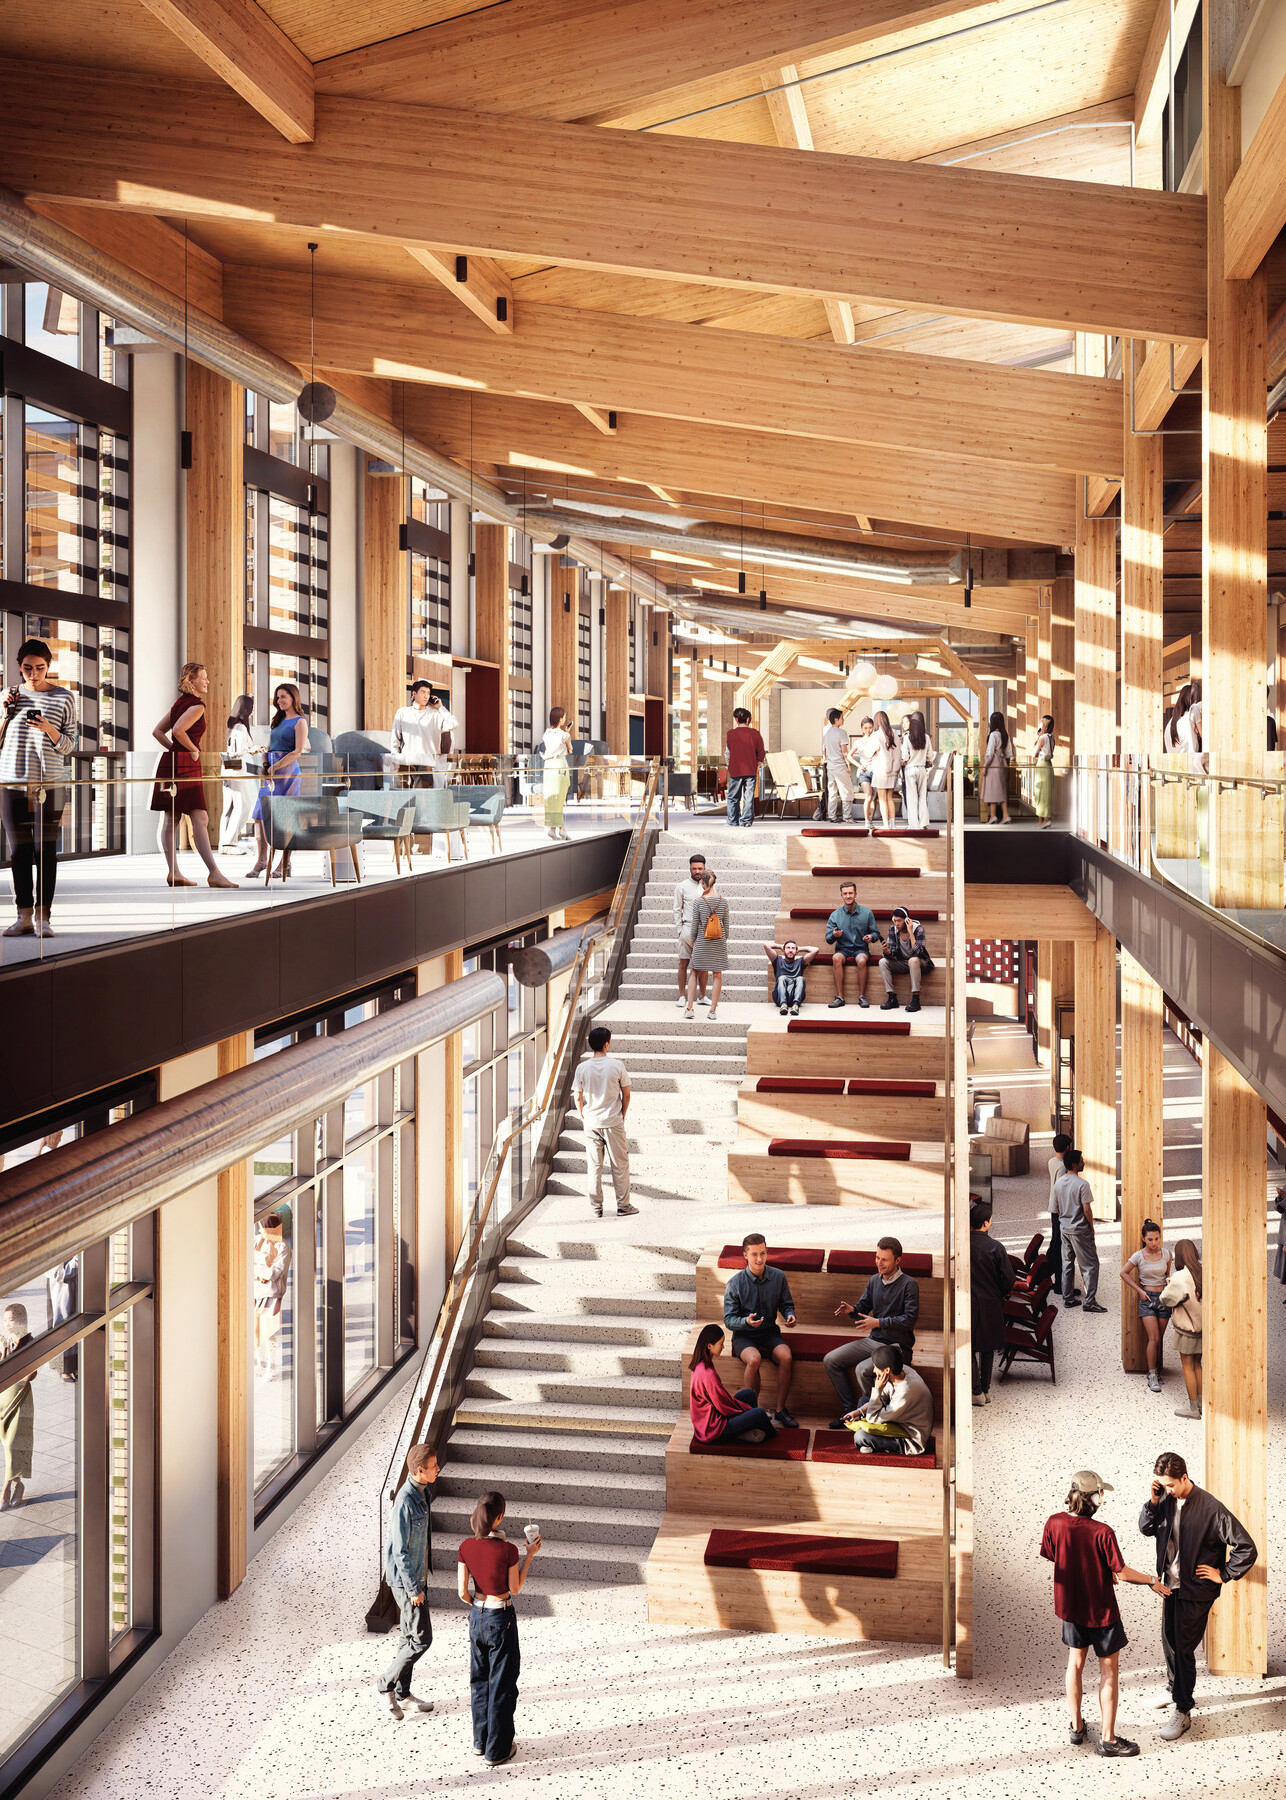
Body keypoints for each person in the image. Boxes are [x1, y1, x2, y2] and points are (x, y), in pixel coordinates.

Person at [1040, 1471, 1166, 1757]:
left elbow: (1054, 1554)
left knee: (1075, 1664)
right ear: (1092, 1498)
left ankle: (1076, 1726)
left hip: (1071, 1609)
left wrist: (1091, 1566)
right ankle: (1108, 1740)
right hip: (1101, 1613)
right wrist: (1151, 1580)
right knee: (1108, 1672)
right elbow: (1121, 1572)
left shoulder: (1054, 1522)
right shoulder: (1102, 1532)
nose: (1102, 1498)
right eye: (1100, 1493)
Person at [1139, 1450, 1257, 1740]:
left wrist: (1224, 1573)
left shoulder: (1211, 1508)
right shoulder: (1164, 1501)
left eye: (1169, 1484)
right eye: (1161, 1485)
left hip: (1197, 1590)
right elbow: (1145, 1528)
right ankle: (1173, 1688)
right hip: (1171, 1585)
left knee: (1183, 1648)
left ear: (1184, 1477)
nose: (1166, 1489)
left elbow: (1246, 1547)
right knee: (1169, 1641)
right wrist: (1153, 1502)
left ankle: (1183, 1709)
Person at [1, 637, 79, 937]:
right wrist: (5, 712)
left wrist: (49, 729)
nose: (33, 674)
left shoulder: (64, 698)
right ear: (19, 667)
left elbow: (70, 745)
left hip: (50, 785)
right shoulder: (7, 696)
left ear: (49, 666)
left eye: (40, 668)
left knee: (44, 850)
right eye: (27, 668)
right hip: (11, 783)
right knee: (19, 851)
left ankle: (44, 918)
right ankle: (23, 917)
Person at [457, 1490, 540, 1768]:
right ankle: (498, 1750)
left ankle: (480, 1742)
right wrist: (529, 1556)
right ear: (500, 1517)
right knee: (502, 1684)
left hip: (477, 1617)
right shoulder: (509, 1550)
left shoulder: (466, 1546)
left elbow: (462, 1593)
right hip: (500, 1618)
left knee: (479, 1681)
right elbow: (514, 1588)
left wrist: (477, 1606)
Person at [150, 661, 238, 889]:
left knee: (172, 818)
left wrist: (174, 750)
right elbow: (178, 730)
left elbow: (158, 732)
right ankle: (214, 874)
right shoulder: (197, 706)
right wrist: (193, 750)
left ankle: (174, 873)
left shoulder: (179, 704)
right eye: (204, 678)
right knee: (199, 818)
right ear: (192, 681)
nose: (207, 681)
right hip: (186, 764)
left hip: (172, 761)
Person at [823, 1236, 919, 1424]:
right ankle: (850, 1412)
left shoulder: (909, 1284)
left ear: (898, 1260)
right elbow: (863, 1306)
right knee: (831, 1360)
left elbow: (909, 1320)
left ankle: (870, 1413)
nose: (879, 1263)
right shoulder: (875, 1280)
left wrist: (879, 1323)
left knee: (862, 1369)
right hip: (875, 1340)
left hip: (897, 1346)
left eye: (884, 1259)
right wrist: (852, 1310)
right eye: (877, 1258)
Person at [378, 1442, 440, 1718]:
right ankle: (385, 1685)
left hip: (417, 1575)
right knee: (421, 1639)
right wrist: (414, 1589)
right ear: (419, 1470)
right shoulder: (405, 1501)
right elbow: (399, 1551)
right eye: (434, 1466)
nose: (438, 1469)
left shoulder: (422, 1493)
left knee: (408, 1638)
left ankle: (403, 1695)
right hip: (406, 1581)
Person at [721, 1233, 798, 1428]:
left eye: (762, 1253)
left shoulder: (778, 1277)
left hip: (769, 1332)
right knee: (754, 1359)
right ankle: (750, 1412)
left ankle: (780, 1410)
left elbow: (786, 1304)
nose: (759, 1259)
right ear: (745, 1255)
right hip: (744, 1336)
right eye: (754, 1254)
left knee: (786, 1356)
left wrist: (790, 1315)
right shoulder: (735, 1283)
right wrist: (746, 1322)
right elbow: (729, 1320)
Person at [571, 1025, 637, 1219]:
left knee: (594, 1166)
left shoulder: (582, 1068)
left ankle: (596, 1208)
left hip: (591, 1122)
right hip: (613, 1121)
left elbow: (577, 1096)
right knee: (620, 1165)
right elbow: (626, 1095)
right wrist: (622, 1114)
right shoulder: (617, 1065)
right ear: (606, 1044)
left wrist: (583, 1113)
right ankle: (623, 1206)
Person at [688, 1324, 776, 1445]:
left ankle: (749, 1429)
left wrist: (744, 1410)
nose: (723, 1347)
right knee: (759, 1413)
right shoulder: (706, 1374)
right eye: (721, 1343)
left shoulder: (701, 1364)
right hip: (714, 1430)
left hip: (714, 1417)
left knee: (749, 1394)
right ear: (709, 1346)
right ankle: (774, 1436)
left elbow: (722, 1400)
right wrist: (746, 1410)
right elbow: (723, 1406)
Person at [842, 1344, 934, 1454]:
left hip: (910, 1437)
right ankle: (873, 1441)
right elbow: (881, 1400)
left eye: (876, 1367)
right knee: (864, 1400)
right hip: (898, 1418)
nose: (874, 1371)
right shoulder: (901, 1371)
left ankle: (874, 1445)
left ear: (887, 1370)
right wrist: (858, 1412)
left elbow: (872, 1418)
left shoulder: (905, 1392)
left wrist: (877, 1389)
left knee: (860, 1436)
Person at [1120, 1219, 1174, 1394]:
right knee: (1153, 1338)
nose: (1154, 1243)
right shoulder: (1138, 1256)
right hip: (1147, 1298)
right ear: (1143, 1238)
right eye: (1150, 1239)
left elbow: (1167, 1276)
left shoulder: (1167, 1254)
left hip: (1164, 1298)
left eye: (1157, 1239)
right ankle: (1152, 1375)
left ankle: (1157, 1372)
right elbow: (1123, 1273)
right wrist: (1139, 1291)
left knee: (1159, 1339)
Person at [969, 1203, 1015, 1406]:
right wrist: (1001, 1293)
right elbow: (1009, 1279)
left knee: (967, 1348)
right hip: (990, 1304)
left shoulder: (962, 1245)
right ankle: (986, 1390)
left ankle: (975, 1391)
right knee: (987, 1349)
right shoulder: (996, 1247)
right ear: (986, 1223)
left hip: (968, 1303)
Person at [1053, 1147, 1104, 1312]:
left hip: (1064, 1228)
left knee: (1067, 1263)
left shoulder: (1059, 1182)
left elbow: (1056, 1207)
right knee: (1090, 1265)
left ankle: (1068, 1298)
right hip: (1080, 1230)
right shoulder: (1082, 1184)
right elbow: (1087, 1210)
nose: (1084, 1163)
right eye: (1081, 1161)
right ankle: (1089, 1302)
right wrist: (1091, 1226)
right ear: (1075, 1164)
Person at [1159, 1241, 1203, 1419]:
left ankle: (1193, 1409)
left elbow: (1165, 1299)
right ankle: (1202, 1404)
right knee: (1198, 1365)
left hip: (1187, 1330)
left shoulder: (1180, 1277)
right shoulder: (1204, 1271)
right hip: (1203, 1328)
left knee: (1187, 1367)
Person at [391, 680, 459, 790]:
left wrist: (441, 707)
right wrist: (396, 759)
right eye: (423, 692)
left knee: (424, 801)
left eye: (428, 693)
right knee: (401, 798)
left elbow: (454, 724)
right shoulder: (402, 712)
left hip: (426, 765)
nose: (426, 696)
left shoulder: (435, 715)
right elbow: (395, 738)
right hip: (406, 763)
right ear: (414, 694)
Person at [1, 1304, 36, 1512]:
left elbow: (30, 1375)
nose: (7, 1324)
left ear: (22, 1319)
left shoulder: (30, 1343)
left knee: (14, 1444)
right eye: (5, 1319)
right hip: (2, 1400)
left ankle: (5, 1488)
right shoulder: (4, 1342)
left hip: (20, 1399)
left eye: (11, 1319)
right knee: (9, 1447)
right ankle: (18, 1485)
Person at [825, 879, 881, 1009]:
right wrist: (834, 935)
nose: (848, 896)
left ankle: (862, 997)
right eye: (845, 893)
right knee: (836, 958)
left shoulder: (867, 912)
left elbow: (876, 933)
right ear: (841, 895)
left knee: (861, 960)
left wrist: (871, 937)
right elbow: (828, 939)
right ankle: (839, 997)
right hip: (842, 949)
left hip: (861, 949)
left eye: (850, 893)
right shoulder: (835, 915)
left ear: (856, 894)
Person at [686, 869, 728, 1022]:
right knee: (717, 975)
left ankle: (690, 1008)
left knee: (694, 972)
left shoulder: (698, 902)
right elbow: (726, 924)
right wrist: (723, 939)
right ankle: (712, 1011)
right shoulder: (723, 901)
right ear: (714, 882)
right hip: (719, 941)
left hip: (702, 941)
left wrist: (694, 940)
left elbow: (695, 926)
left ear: (702, 882)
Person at [253, 1211, 292, 1376]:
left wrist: (258, 1270)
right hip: (255, 1292)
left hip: (272, 1295)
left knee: (268, 1333)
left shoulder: (282, 1247)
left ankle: (271, 1366)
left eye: (262, 1228)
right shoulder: (257, 1241)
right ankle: (259, 1363)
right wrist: (263, 1269)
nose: (260, 1231)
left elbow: (274, 1274)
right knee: (255, 1331)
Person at [220, 693, 258, 852]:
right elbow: (238, 751)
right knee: (244, 806)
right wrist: (253, 749)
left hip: (228, 771)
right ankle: (229, 844)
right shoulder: (241, 727)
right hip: (238, 772)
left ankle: (225, 844)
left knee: (229, 808)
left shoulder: (232, 726)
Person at [878, 906, 933, 1014]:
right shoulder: (892, 930)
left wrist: (910, 932)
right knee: (882, 961)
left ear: (907, 920)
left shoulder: (918, 929)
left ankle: (916, 999)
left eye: (899, 921)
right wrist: (887, 951)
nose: (896, 924)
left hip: (921, 962)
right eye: (894, 921)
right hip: (904, 962)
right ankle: (892, 997)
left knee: (912, 960)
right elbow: (893, 952)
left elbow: (916, 952)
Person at [673, 852, 709, 1009]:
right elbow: (676, 909)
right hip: (687, 928)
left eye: (700, 868)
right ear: (690, 868)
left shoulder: (708, 885)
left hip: (704, 930)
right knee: (683, 963)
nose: (697, 871)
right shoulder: (682, 886)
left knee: (704, 964)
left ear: (704, 868)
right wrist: (679, 930)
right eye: (694, 868)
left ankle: (702, 996)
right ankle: (682, 997)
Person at [725, 706, 765, 826]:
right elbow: (761, 752)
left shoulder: (730, 734)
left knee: (733, 797)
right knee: (748, 796)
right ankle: (746, 821)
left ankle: (733, 821)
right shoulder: (755, 734)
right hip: (750, 770)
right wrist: (756, 765)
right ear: (748, 719)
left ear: (736, 720)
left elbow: (727, 753)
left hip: (736, 770)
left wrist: (730, 766)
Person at [762, 936, 820, 1015]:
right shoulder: (777, 960)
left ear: (796, 952)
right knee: (782, 978)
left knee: (800, 978)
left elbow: (816, 950)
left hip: (795, 995)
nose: (790, 950)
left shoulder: (800, 962)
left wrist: (799, 948)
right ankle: (783, 1005)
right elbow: (766, 945)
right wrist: (781, 946)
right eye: (788, 948)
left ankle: (795, 1006)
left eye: (793, 948)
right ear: (783, 950)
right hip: (779, 996)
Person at [539, 706, 573, 841]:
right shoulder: (565, 735)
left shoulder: (546, 734)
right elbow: (570, 750)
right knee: (559, 799)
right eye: (564, 716)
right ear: (560, 719)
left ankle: (553, 830)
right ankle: (562, 829)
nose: (565, 718)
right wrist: (567, 734)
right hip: (560, 765)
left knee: (551, 799)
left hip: (548, 767)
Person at [1047, 1131, 1073, 1286]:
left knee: (1055, 1241)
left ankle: (1048, 1274)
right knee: (1060, 1246)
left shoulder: (1052, 1161)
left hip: (1052, 1206)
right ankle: (1058, 1282)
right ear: (1068, 1147)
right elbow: (1061, 1190)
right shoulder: (1063, 1167)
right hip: (1059, 1209)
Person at [900, 710, 934, 829]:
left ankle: (913, 825)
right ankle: (923, 823)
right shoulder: (926, 737)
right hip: (922, 769)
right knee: (922, 797)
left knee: (911, 798)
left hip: (910, 769)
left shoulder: (907, 738)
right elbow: (930, 756)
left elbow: (904, 758)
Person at [821, 707, 855, 823]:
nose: (843, 719)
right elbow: (845, 752)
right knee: (846, 791)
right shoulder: (842, 733)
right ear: (836, 719)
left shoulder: (827, 734)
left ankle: (832, 816)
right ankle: (847, 816)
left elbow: (824, 751)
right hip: (840, 766)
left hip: (830, 767)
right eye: (842, 718)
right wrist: (849, 765)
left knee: (832, 793)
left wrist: (827, 759)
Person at [867, 710, 900, 826]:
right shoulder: (894, 733)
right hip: (893, 771)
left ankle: (886, 825)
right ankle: (893, 825)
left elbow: (867, 752)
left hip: (881, 770)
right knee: (890, 798)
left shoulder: (875, 735)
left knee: (882, 799)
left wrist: (874, 752)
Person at [982, 711, 1011, 823]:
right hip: (1003, 764)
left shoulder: (993, 735)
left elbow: (989, 752)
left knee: (992, 789)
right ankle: (1003, 815)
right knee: (1000, 790)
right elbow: (1009, 752)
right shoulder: (1005, 735)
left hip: (993, 765)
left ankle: (994, 816)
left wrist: (985, 766)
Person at [851, 717, 877, 822]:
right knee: (869, 796)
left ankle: (871, 818)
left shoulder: (876, 741)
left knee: (875, 797)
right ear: (862, 729)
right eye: (865, 728)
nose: (868, 730)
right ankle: (867, 821)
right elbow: (849, 756)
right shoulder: (858, 742)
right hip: (864, 772)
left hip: (876, 771)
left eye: (870, 728)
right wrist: (859, 765)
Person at [1033, 714, 1055, 827]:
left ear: (1044, 725)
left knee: (1040, 792)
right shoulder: (1052, 737)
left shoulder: (1042, 738)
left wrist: (1038, 738)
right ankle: (1044, 820)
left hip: (1041, 764)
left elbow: (1033, 753)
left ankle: (1044, 820)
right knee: (1046, 792)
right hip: (1049, 764)